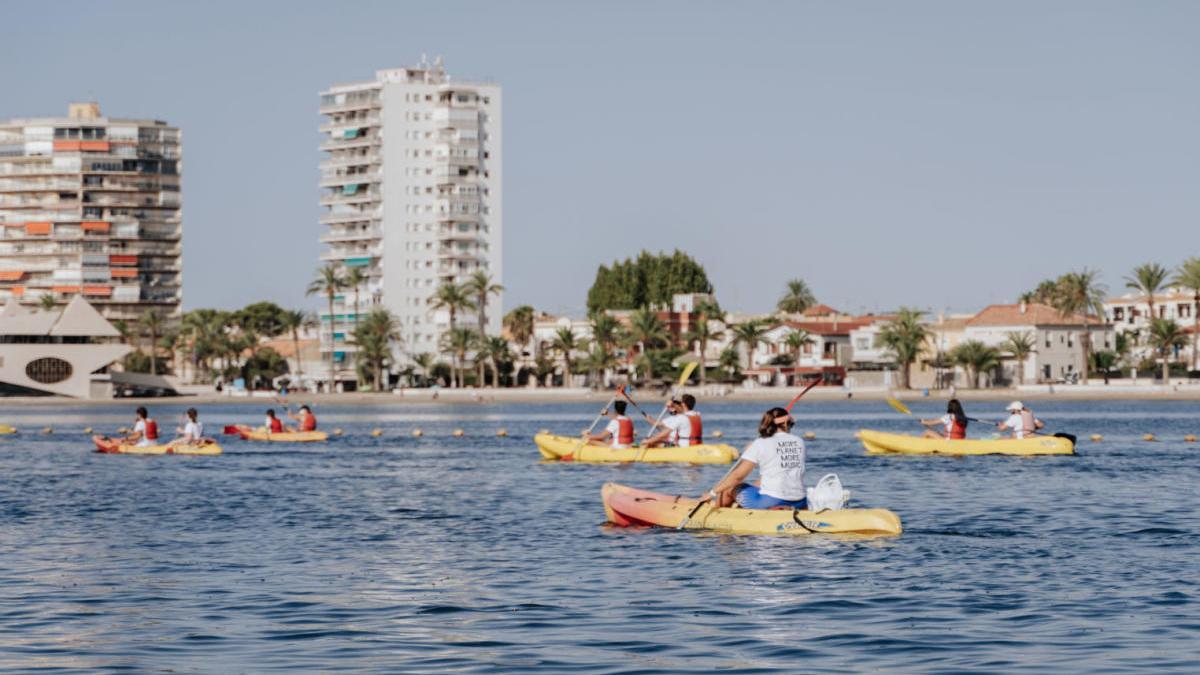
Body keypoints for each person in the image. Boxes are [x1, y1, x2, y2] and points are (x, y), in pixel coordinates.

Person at [698, 406, 807, 509]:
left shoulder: (760, 443)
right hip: (800, 501)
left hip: (771, 502)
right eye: (791, 424)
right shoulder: (799, 441)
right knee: (758, 483)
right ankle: (740, 509)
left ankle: (720, 516)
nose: (791, 427)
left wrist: (712, 493)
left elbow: (737, 476)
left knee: (727, 488)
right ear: (786, 423)